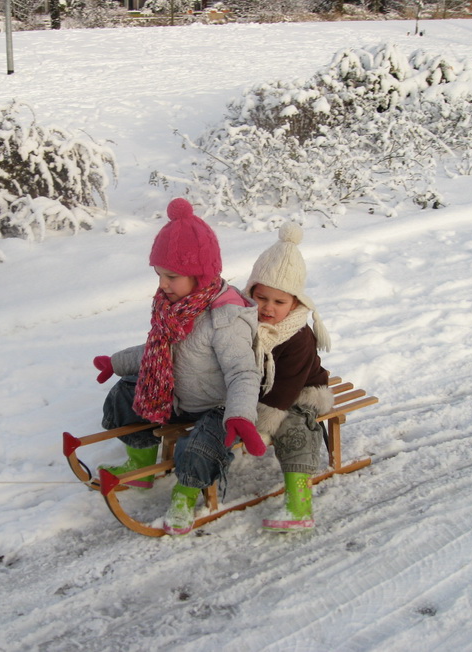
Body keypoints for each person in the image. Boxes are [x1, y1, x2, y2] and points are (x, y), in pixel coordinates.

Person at [93, 198, 265, 536]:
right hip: (177, 397)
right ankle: (141, 467)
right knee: (127, 391)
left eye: (172, 276)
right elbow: (158, 353)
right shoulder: (173, 308)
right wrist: (116, 362)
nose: (162, 285)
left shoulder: (225, 320)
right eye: (159, 275)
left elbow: (243, 373)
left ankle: (185, 494)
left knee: (200, 445)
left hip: (216, 406)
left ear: (200, 276)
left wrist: (241, 414)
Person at [243, 223, 334, 533]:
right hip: (260, 390)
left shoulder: (298, 338)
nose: (267, 308)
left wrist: (264, 427)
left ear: (295, 304)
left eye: (279, 302)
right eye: (261, 297)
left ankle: (299, 504)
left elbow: (284, 390)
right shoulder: (242, 323)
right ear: (250, 292)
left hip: (300, 390)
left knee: (294, 428)